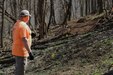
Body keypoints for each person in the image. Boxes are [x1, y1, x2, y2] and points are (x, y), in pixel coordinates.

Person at [12, 10, 34, 75]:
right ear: (24, 17)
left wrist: (30, 34)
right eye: (28, 17)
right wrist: (30, 52)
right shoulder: (23, 25)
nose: (29, 18)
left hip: (17, 51)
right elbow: (24, 39)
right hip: (21, 52)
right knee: (20, 72)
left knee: (18, 69)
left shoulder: (17, 24)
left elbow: (18, 35)